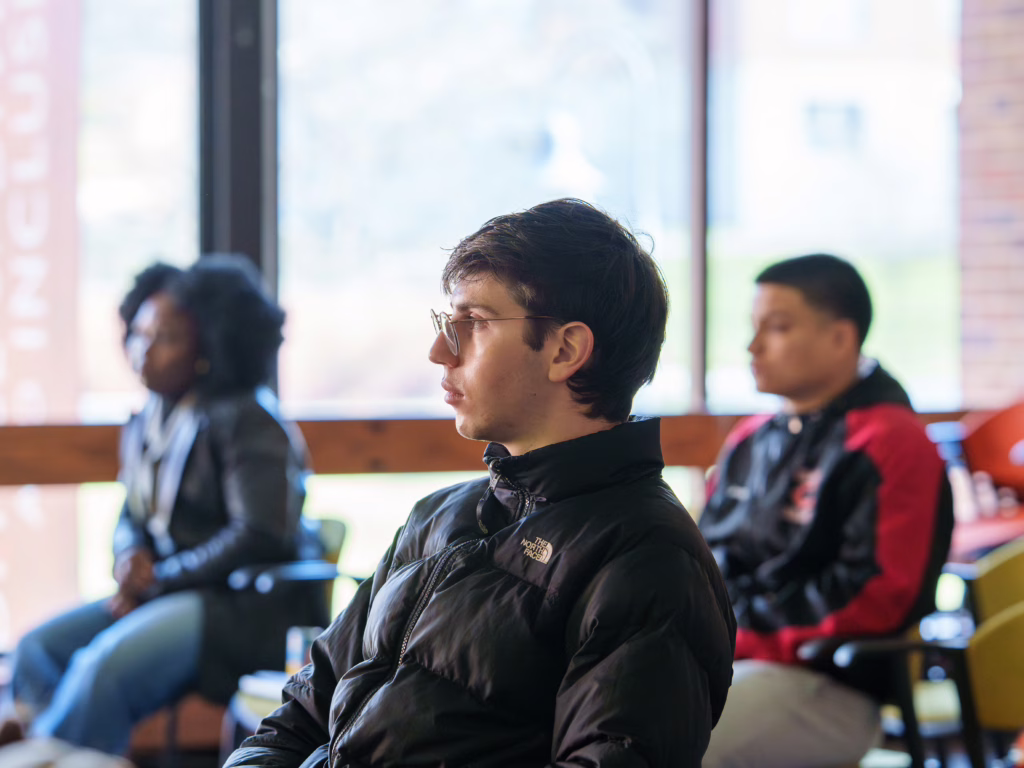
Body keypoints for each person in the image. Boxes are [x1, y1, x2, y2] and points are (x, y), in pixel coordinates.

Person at [224, 198, 736, 768]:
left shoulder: (647, 556)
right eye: (449, 322)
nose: (440, 351)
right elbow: (302, 710)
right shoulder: (439, 515)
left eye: (475, 323)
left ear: (565, 350)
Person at [1, 255, 326, 756]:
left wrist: (159, 579)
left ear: (207, 347)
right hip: (170, 593)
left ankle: (42, 756)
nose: (141, 351)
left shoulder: (248, 419)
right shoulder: (149, 417)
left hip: (239, 607)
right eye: (139, 333)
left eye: (165, 338)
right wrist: (129, 558)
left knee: (101, 667)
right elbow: (131, 512)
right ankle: (63, 754)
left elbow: (260, 532)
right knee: (36, 649)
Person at [699, 254, 954, 768]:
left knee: (668, 740)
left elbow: (875, 597)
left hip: (831, 683)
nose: (753, 347)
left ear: (841, 338)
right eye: (753, 329)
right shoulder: (750, 438)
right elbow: (703, 559)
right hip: (725, 658)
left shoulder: (891, 442)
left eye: (777, 328)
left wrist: (733, 635)